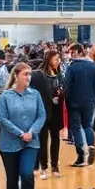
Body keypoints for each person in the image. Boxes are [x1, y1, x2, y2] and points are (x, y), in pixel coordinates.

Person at [0, 63, 46, 189]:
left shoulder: (35, 95)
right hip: (9, 144)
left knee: (26, 174)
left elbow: (41, 115)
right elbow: (2, 119)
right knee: (12, 178)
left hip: (31, 142)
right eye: (25, 74)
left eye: (29, 74)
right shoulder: (5, 96)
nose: (28, 77)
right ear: (16, 76)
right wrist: (20, 133)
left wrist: (31, 132)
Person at [64, 43, 95, 166]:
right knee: (88, 125)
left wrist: (66, 100)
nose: (71, 54)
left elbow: (67, 87)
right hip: (89, 101)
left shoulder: (71, 67)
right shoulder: (93, 66)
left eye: (72, 52)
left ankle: (81, 154)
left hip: (74, 102)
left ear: (78, 52)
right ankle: (91, 144)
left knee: (76, 127)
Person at [31, 51, 64, 179]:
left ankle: (55, 167)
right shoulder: (38, 75)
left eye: (58, 59)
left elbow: (64, 89)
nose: (58, 61)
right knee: (43, 140)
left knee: (55, 139)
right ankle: (43, 167)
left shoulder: (59, 74)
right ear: (49, 59)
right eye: (55, 59)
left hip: (56, 111)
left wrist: (60, 94)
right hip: (42, 112)